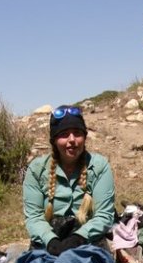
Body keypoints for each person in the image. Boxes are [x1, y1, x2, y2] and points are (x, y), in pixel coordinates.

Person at [22, 105, 116, 255]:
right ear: (54, 140)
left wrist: (77, 239)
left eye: (77, 133)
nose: (72, 140)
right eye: (64, 134)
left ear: (84, 137)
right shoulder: (36, 169)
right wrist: (51, 241)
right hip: (49, 242)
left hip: (88, 239)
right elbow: (33, 217)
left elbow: (104, 216)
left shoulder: (99, 166)